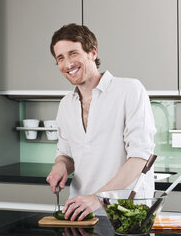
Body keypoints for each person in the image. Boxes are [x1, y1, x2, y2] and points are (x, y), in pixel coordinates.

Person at [46, 23, 156, 221]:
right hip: (81, 213)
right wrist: (60, 166)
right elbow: (65, 154)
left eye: (73, 53)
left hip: (126, 214)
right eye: (60, 58)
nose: (67, 63)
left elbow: (140, 158)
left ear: (92, 53)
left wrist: (98, 198)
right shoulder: (65, 104)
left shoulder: (130, 90)